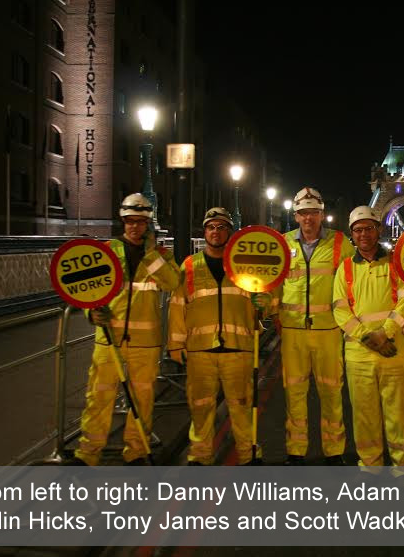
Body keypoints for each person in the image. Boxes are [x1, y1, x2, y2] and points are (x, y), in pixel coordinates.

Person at [68, 193, 181, 466]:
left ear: (148, 224)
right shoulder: (106, 251)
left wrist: (151, 255)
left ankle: (137, 451)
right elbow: (87, 290)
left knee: (141, 400)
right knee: (99, 396)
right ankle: (87, 454)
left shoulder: (161, 255)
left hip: (146, 341)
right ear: (123, 221)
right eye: (130, 221)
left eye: (140, 222)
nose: (135, 227)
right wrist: (90, 312)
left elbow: (172, 282)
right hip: (110, 339)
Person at [167, 207, 271, 465]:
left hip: (239, 348)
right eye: (211, 227)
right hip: (201, 350)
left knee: (242, 407)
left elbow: (265, 303)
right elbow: (178, 306)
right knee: (200, 406)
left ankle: (248, 455)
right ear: (205, 232)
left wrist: (264, 303)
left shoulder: (244, 264)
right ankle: (200, 456)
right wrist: (175, 344)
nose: (216, 232)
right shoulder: (189, 266)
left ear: (230, 232)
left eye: (222, 227)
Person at [272, 187, 354, 465]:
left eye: (314, 213)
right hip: (293, 331)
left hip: (329, 331)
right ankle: (295, 450)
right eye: (303, 213)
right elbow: (273, 285)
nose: (309, 218)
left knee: (331, 392)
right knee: (294, 392)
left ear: (322, 215)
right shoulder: (282, 244)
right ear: (295, 216)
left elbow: (355, 281)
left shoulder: (341, 244)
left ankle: (334, 451)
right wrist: (268, 310)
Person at [332, 206, 404, 475]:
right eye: (358, 230)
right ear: (352, 235)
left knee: (399, 414)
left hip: (395, 350)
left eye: (369, 228)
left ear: (379, 229)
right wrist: (368, 337)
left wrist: (385, 333)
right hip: (360, 354)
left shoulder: (396, 263)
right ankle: (370, 468)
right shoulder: (344, 269)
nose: (364, 234)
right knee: (364, 416)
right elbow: (340, 309)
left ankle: (403, 468)